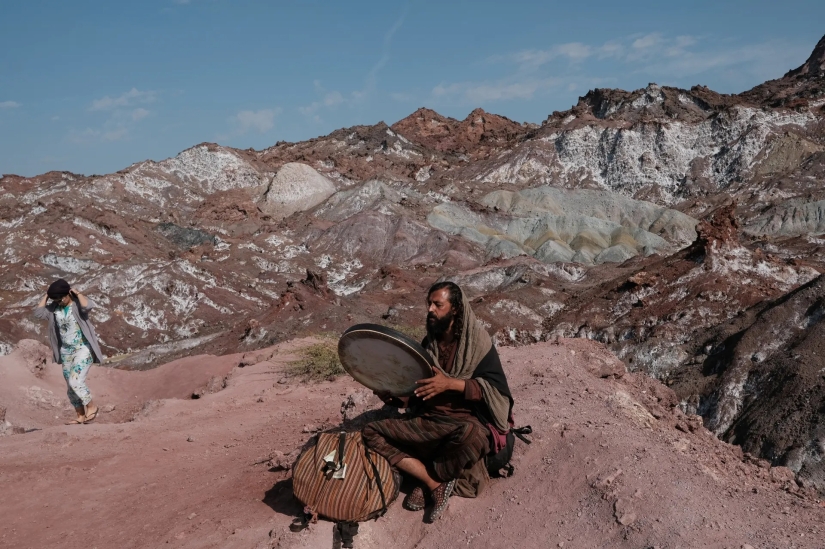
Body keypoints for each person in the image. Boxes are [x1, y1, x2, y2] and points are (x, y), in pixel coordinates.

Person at [362, 281, 513, 522]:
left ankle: (427, 474)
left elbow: (496, 390)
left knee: (472, 437)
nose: (430, 309)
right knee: (371, 432)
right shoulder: (427, 345)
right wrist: (393, 397)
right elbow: (417, 391)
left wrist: (451, 384)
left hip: (461, 423)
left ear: (455, 309)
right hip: (428, 422)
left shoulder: (479, 345)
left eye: (438, 304)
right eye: (429, 304)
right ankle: (433, 481)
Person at [33, 279, 104, 424]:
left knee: (75, 380)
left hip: (83, 348)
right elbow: (38, 313)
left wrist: (77, 293)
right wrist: (47, 296)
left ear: (68, 294)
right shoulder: (54, 309)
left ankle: (92, 407)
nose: (59, 301)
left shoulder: (78, 305)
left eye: (61, 298)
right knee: (70, 386)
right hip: (66, 351)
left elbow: (87, 306)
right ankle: (80, 416)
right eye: (56, 299)